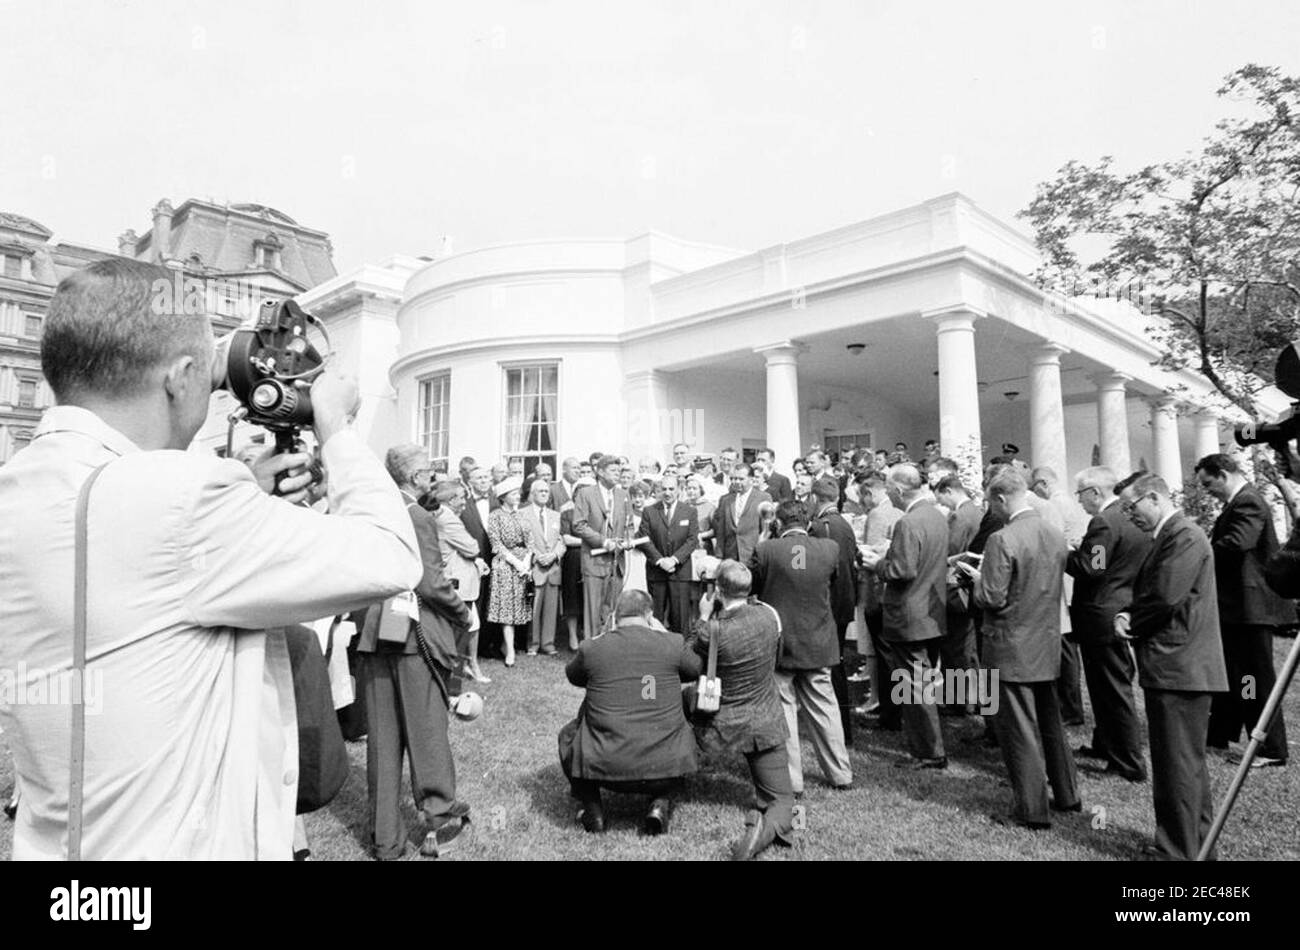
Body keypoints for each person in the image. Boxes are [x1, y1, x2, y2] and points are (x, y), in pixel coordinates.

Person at [0, 257, 423, 859]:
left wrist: (245, 497)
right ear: (176, 378)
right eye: (206, 378)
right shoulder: (182, 501)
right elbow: (391, 555)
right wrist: (336, 425)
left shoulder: (19, 487)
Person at [357, 445, 474, 860]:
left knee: (383, 743)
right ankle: (438, 811)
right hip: (413, 637)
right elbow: (430, 582)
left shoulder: (369, 510)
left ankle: (386, 840)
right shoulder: (418, 517)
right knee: (426, 731)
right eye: (428, 472)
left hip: (374, 634)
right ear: (414, 477)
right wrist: (463, 613)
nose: (432, 477)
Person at [1115, 474, 1228, 861]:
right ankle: (1194, 845)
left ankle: (1178, 851)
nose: (1130, 517)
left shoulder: (1182, 535)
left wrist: (1131, 621)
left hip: (1178, 664)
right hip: (1180, 663)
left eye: (1132, 508)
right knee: (1183, 764)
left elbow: (1164, 597)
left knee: (1176, 765)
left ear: (1152, 498)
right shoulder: (1178, 534)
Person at [971, 468, 1079, 829]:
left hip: (1010, 644)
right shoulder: (1053, 532)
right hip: (1045, 640)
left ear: (1000, 499)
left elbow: (992, 596)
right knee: (1050, 724)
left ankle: (1031, 809)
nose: (993, 509)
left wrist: (976, 581)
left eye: (991, 502)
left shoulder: (1002, 539)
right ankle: (1067, 794)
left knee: (1018, 730)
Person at [559, 589, 702, 834]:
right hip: (664, 769)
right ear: (650, 616)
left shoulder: (592, 648)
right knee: (681, 728)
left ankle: (593, 807)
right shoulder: (673, 643)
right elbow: (695, 669)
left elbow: (574, 676)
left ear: (615, 616)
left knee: (567, 735)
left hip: (603, 769)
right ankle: (659, 804)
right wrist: (665, 634)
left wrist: (602, 638)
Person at [689, 561, 795, 861]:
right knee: (784, 801)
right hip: (765, 721)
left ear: (718, 591)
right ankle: (764, 831)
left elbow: (688, 660)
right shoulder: (770, 616)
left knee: (682, 699)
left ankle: (663, 779)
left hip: (720, 721)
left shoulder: (713, 630)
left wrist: (702, 616)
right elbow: (779, 656)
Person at [751, 500, 853, 792]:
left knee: (783, 709)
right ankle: (841, 773)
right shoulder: (829, 549)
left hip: (780, 642)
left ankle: (793, 780)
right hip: (818, 639)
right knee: (825, 708)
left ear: (778, 524)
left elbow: (750, 581)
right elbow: (836, 587)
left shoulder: (766, 549)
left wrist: (763, 537)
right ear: (808, 524)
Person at [1195, 454, 1291, 767]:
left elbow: (1238, 543)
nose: (1208, 491)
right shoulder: (1240, 502)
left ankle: (1270, 748)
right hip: (1239, 607)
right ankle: (1220, 732)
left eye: (1208, 484)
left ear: (1223, 474)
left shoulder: (1248, 501)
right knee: (1237, 674)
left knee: (1254, 679)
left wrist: (1198, 551)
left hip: (1249, 608)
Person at [860, 464, 949, 768]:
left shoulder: (908, 522)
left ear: (898, 490)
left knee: (914, 684)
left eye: (888, 489)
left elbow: (902, 570)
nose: (888, 495)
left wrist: (877, 565)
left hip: (909, 613)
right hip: (930, 610)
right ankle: (927, 742)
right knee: (921, 681)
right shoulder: (936, 515)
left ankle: (928, 751)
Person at [1065, 466, 1149, 781]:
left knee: (1112, 690)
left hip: (1100, 613)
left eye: (1081, 495)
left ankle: (1127, 761)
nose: (1080, 501)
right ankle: (1106, 744)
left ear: (1095, 492)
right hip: (1119, 606)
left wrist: (1066, 554)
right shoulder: (1130, 518)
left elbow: (1093, 566)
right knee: (1107, 687)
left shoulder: (1104, 521)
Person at [807, 476, 858, 742]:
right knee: (835, 665)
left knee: (831, 667)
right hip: (843, 601)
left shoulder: (821, 526)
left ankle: (841, 728)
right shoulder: (843, 523)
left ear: (815, 499)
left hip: (830, 604)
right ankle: (841, 726)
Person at [433, 481, 492, 683]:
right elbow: (472, 547)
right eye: (461, 497)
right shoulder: (448, 519)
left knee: (467, 629)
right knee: (458, 638)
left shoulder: (442, 515)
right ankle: (453, 684)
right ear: (451, 500)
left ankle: (461, 673)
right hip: (458, 584)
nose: (465, 502)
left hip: (459, 581)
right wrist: (475, 555)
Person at [934, 473, 982, 716]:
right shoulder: (975, 511)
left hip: (956, 587)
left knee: (955, 648)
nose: (943, 505)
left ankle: (959, 701)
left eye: (942, 500)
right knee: (968, 649)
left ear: (949, 491)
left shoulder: (960, 517)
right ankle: (974, 699)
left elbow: (950, 551)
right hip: (969, 586)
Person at [573, 454, 632, 638]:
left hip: (617, 563)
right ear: (600, 472)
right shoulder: (586, 494)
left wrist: (628, 540)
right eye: (613, 471)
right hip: (594, 560)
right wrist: (603, 541)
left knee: (612, 609)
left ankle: (610, 647)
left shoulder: (623, 494)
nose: (618, 474)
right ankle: (591, 648)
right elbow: (579, 525)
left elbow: (628, 524)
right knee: (593, 610)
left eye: (619, 471)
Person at [639, 473, 699, 632]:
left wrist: (674, 560)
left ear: (679, 489)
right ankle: (656, 652)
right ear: (659, 490)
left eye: (671, 489)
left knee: (680, 616)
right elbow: (644, 539)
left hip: (680, 571)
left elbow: (692, 540)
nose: (667, 492)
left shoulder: (689, 511)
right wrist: (660, 560)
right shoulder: (649, 511)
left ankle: (680, 649)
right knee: (655, 616)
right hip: (656, 571)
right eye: (664, 489)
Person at [486, 476, 531, 667]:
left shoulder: (522, 515)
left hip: (522, 565)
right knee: (507, 611)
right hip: (505, 566)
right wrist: (516, 563)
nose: (518, 496)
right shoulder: (495, 516)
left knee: (518, 608)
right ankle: (510, 651)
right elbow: (496, 544)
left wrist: (526, 562)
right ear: (504, 497)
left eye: (518, 493)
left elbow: (530, 542)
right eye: (513, 494)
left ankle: (510, 645)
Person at [521, 478, 565, 656]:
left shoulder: (556, 515)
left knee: (550, 607)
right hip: (535, 567)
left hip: (553, 568)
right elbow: (521, 541)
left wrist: (554, 554)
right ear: (532, 494)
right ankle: (533, 642)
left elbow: (562, 541)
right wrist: (536, 556)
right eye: (540, 491)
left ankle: (548, 643)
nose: (544, 494)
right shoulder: (522, 514)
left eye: (546, 491)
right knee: (534, 606)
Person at [709, 463, 772, 565]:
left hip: (753, 556)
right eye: (733, 478)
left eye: (741, 479)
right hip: (730, 557)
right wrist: (719, 555)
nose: (736, 482)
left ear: (751, 479)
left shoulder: (763, 498)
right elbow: (721, 531)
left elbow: (766, 530)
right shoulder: (725, 500)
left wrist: (760, 552)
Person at [622, 479, 653, 593]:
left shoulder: (651, 513)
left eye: (641, 496)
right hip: (630, 551)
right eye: (634, 496)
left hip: (644, 551)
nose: (637, 499)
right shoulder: (627, 513)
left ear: (646, 496)